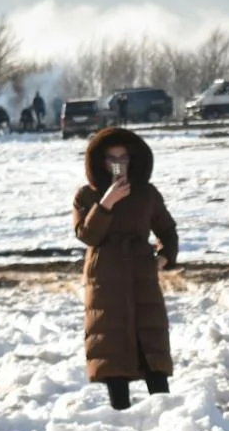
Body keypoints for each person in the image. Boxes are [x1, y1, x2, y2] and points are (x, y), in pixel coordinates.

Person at [71, 126, 179, 409]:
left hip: (142, 275)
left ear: (134, 159)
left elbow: (167, 230)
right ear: (100, 161)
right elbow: (86, 235)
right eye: (111, 158)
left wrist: (164, 257)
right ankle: (120, 416)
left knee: (151, 343)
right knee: (111, 345)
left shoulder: (146, 193)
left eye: (124, 157)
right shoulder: (86, 195)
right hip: (104, 277)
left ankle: (167, 416)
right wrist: (106, 203)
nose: (118, 164)